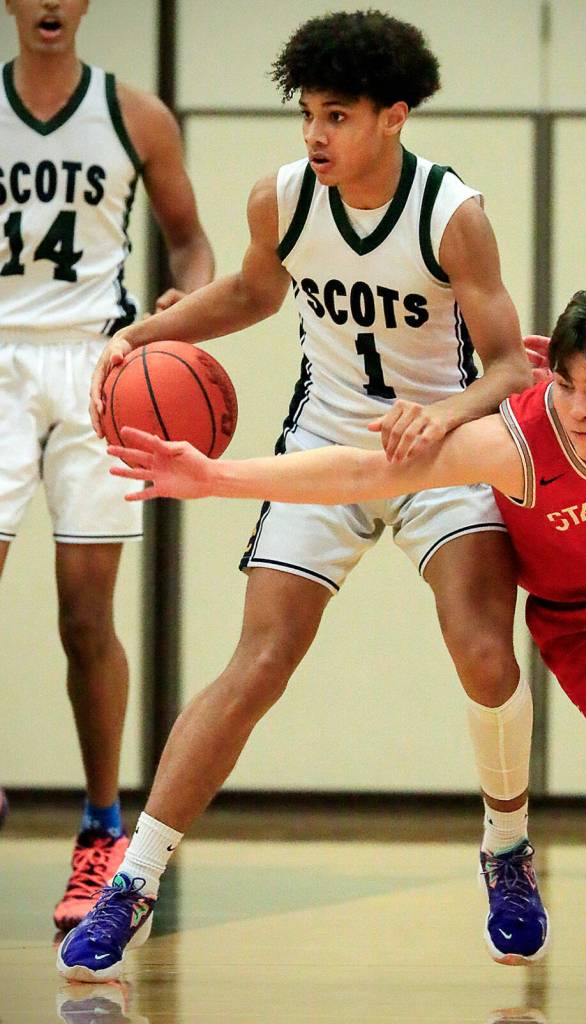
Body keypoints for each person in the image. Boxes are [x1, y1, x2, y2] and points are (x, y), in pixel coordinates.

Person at [65, 286, 586, 977]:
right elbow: (364, 475)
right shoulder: (515, 446)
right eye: (565, 385)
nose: (578, 408)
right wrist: (216, 479)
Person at [57, 10, 547, 982]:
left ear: (393, 117)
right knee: (259, 659)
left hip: (438, 445)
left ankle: (505, 846)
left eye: (338, 115)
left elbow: (508, 367)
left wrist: (444, 418)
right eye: (306, 115)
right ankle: (135, 879)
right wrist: (143, 336)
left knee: (485, 651)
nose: (316, 135)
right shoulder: (281, 199)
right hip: (324, 439)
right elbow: (250, 293)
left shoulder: (452, 214)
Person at [1, 0, 214, 930]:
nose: (50, 2)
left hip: (102, 363)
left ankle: (99, 829)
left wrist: (188, 302)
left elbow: (194, 241)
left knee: (86, 616)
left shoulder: (136, 115)